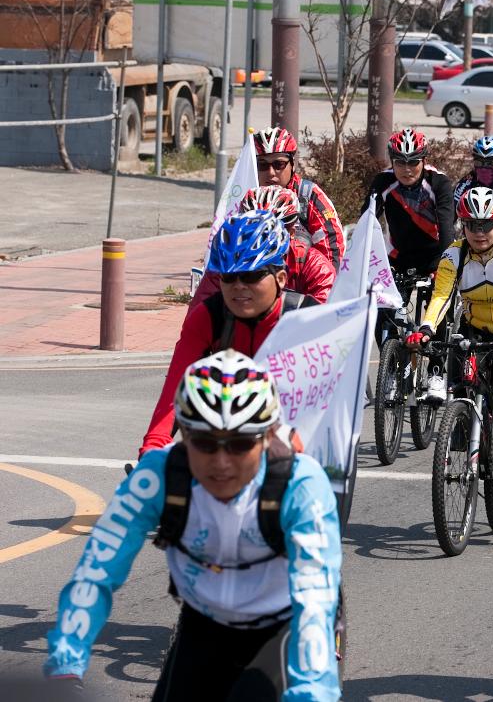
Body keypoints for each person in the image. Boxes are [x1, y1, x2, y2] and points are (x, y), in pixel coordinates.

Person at [49, 351, 342, 700]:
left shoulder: (300, 483)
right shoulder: (158, 475)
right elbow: (96, 573)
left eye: (240, 443)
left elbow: (314, 600)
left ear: (267, 438)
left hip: (282, 625)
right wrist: (65, 666)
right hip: (203, 622)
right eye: (204, 443)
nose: (221, 462)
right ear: (183, 435)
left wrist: (310, 691)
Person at [139, 213, 318, 457]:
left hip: (294, 443)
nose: (239, 285)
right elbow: (173, 396)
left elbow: (327, 405)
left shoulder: (308, 317)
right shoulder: (208, 316)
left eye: (252, 275)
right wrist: (150, 453)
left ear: (281, 278)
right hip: (227, 445)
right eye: (228, 276)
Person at [409, 187, 493, 504]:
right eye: (472, 225)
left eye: (487, 225)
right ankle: (468, 429)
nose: (479, 233)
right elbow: (441, 296)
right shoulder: (454, 255)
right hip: (475, 329)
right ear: (463, 225)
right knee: (462, 383)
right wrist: (425, 327)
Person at [190, 186, 335, 307]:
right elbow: (197, 322)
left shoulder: (316, 267)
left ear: (291, 232)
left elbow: (324, 323)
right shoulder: (225, 261)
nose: (261, 238)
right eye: (252, 228)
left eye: (271, 231)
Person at [251, 126, 345, 271]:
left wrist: (325, 289)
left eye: (279, 164)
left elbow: (332, 250)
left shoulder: (309, 195)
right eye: (262, 165)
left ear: (293, 164)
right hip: (255, 282)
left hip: (304, 285)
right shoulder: (248, 197)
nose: (270, 172)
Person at [369, 127, 457, 279]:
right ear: (392, 162)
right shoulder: (383, 181)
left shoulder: (439, 182)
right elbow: (367, 221)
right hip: (398, 257)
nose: (407, 169)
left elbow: (446, 227)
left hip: (434, 256)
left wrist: (446, 265)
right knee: (388, 303)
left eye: (413, 162)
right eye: (400, 163)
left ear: (424, 161)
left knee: (437, 302)